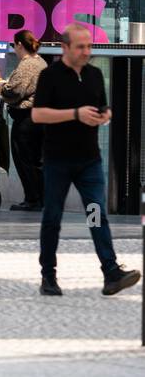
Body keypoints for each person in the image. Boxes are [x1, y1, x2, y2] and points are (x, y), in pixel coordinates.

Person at [30, 25, 140, 297]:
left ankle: (111, 272)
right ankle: (48, 276)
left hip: (89, 161)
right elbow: (38, 115)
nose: (86, 51)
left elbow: (103, 106)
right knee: (52, 217)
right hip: (58, 161)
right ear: (65, 48)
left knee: (96, 215)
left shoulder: (94, 74)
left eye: (89, 46)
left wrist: (106, 115)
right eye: (80, 47)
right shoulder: (49, 75)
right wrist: (75, 114)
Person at [0, 29, 46, 212]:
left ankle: (32, 199)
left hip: (26, 119)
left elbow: (16, 91)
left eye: (14, 45)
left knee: (24, 159)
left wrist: (2, 87)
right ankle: (39, 198)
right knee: (36, 160)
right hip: (38, 118)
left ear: (19, 44)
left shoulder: (27, 64)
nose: (14, 49)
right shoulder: (40, 61)